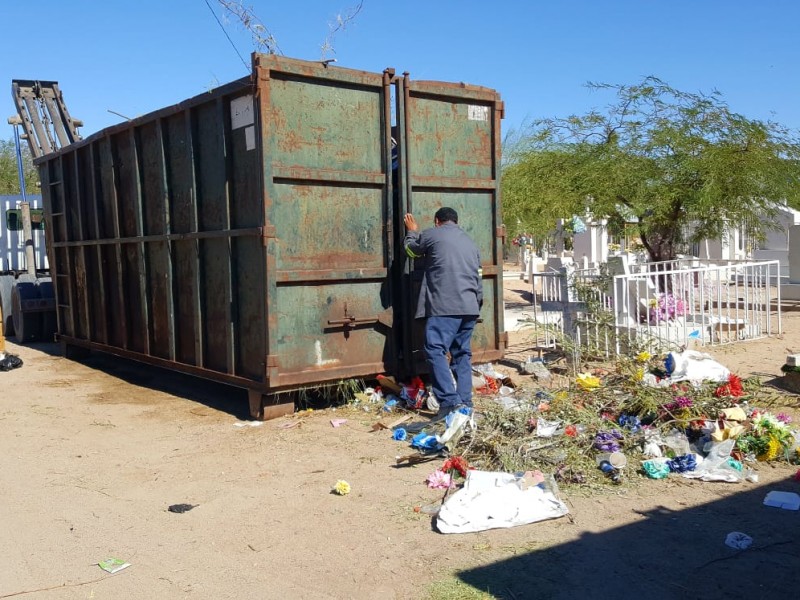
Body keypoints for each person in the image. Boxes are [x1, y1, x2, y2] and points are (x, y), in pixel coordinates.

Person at [403, 207, 482, 418]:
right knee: (461, 353)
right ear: (456, 221)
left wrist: (412, 231)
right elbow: (478, 276)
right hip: (470, 307)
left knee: (435, 349)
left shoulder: (431, 234)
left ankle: (449, 402)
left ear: (437, 221)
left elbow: (411, 251)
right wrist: (476, 305)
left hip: (445, 307)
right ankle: (465, 403)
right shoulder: (470, 242)